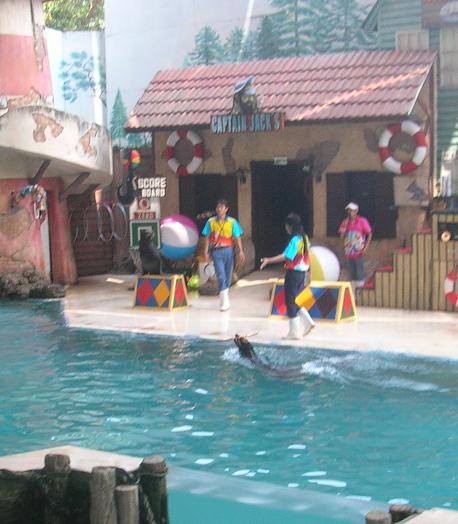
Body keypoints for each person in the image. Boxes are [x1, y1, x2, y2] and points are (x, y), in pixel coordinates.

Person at [260, 213, 315, 339]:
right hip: (302, 272)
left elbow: (287, 256)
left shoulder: (295, 240)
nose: (286, 228)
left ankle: (294, 332)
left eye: (287, 225)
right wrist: (310, 271)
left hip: (293, 273)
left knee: (290, 301)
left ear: (290, 226)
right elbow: (308, 255)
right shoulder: (305, 238)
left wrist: (269, 260)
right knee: (293, 300)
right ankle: (307, 322)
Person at [202, 199, 246, 311]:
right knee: (221, 275)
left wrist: (240, 251)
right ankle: (224, 302)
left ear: (226, 209)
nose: (219, 209)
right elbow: (207, 237)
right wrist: (205, 252)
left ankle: (224, 298)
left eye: (221, 207)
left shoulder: (232, 222)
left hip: (229, 251)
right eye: (218, 207)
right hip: (216, 252)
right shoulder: (210, 222)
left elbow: (237, 237)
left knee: (228, 276)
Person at [338, 202, 372, 292]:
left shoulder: (362, 221)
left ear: (356, 211)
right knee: (352, 272)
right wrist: (344, 228)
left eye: (352, 211)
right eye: (348, 211)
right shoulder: (345, 222)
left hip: (359, 251)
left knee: (359, 271)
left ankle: (360, 291)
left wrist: (365, 248)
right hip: (349, 251)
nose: (350, 213)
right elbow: (341, 237)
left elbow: (369, 234)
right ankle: (353, 293)